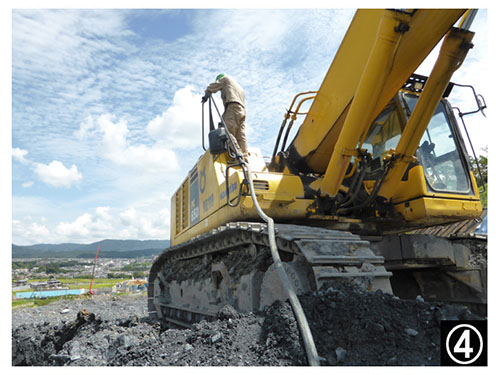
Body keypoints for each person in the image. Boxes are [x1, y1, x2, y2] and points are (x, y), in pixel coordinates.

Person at [205, 74, 249, 158]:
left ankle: (238, 153)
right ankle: (245, 157)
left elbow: (215, 85)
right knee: (240, 136)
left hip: (233, 108)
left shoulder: (225, 79)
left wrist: (207, 92)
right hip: (242, 111)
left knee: (225, 132)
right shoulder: (238, 88)